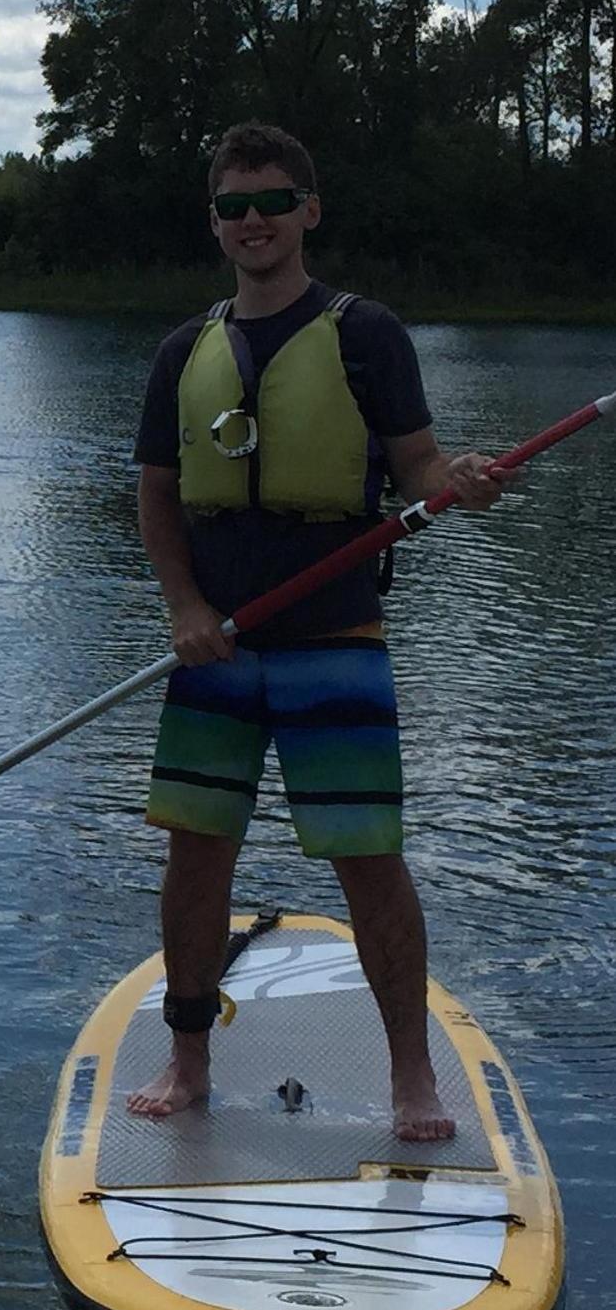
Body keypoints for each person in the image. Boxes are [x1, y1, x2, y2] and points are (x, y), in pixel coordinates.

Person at [126, 124, 509, 1143]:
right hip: (214, 647)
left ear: (309, 211)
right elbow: (158, 502)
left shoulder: (364, 332)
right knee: (194, 858)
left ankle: (411, 1080)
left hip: (334, 638)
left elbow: (419, 469)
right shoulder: (181, 351)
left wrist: (455, 482)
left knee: (367, 859)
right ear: (213, 221)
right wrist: (182, 607)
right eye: (232, 205)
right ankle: (189, 1057)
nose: (252, 221)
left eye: (271, 200)